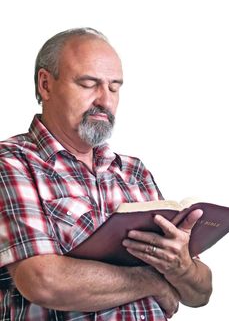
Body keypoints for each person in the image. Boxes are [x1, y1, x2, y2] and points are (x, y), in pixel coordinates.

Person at [0, 28, 212, 321]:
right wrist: (150, 281)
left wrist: (182, 268)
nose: (105, 100)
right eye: (89, 84)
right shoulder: (12, 163)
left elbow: (200, 294)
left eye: (114, 87)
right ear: (46, 85)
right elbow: (42, 281)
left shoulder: (134, 172)